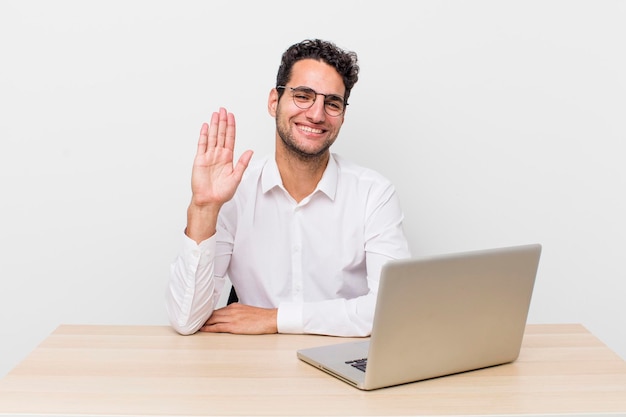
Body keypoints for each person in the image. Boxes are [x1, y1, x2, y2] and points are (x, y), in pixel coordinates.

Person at [166, 39, 410, 337]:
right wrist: (204, 208)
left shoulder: (374, 194)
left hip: (344, 366)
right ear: (274, 102)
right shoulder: (235, 192)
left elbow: (393, 311)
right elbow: (185, 319)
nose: (317, 114)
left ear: (343, 116)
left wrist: (276, 319)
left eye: (332, 103)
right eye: (303, 96)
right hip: (252, 368)